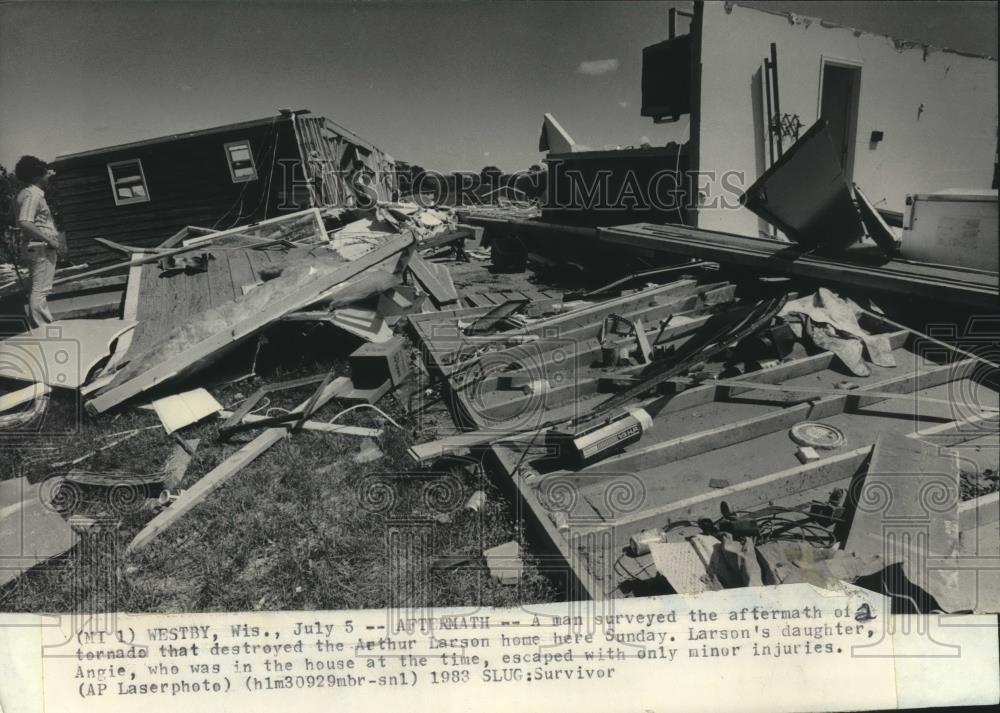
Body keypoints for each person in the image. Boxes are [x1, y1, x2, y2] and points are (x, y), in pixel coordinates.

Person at [14, 155, 61, 327]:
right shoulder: (33, 195)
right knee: (40, 290)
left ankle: (41, 326)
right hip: (41, 247)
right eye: (45, 173)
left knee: (38, 289)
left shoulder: (24, 193)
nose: (48, 176)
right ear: (36, 177)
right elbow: (25, 222)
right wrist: (50, 240)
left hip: (35, 247)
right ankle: (44, 328)